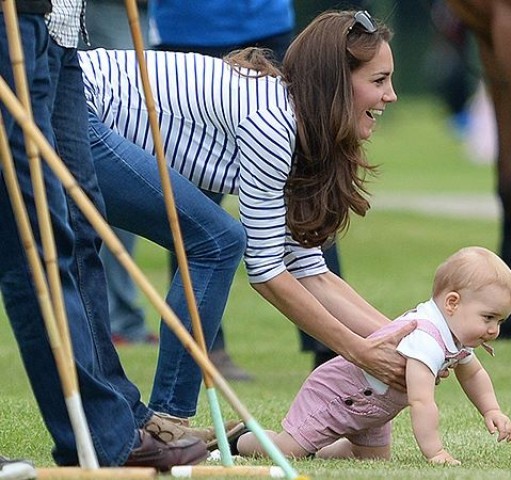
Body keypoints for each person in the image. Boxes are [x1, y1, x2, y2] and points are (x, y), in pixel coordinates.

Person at [78, 9, 413, 419]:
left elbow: (310, 270)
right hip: (75, 105)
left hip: (74, 102)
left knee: (216, 241)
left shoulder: (295, 121)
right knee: (218, 242)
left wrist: (408, 341)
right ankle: (169, 420)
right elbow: (267, 273)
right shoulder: (273, 123)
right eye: (379, 81)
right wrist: (360, 351)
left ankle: (163, 420)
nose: (391, 95)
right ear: (335, 84)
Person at [0, 0, 208, 470]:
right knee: (35, 236)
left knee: (80, 226)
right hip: (13, 22)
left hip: (59, 29)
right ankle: (101, 433)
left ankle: (112, 415)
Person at [147, 0, 341, 377]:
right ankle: (206, 348)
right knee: (194, 207)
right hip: (188, 29)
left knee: (306, 193)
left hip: (266, 24)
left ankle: (330, 345)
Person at [234, 246, 511, 465]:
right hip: (338, 395)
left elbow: (474, 373)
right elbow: (421, 401)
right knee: (287, 451)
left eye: (500, 322)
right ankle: (242, 439)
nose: (493, 330)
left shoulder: (457, 335)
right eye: (488, 318)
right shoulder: (426, 339)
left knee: (371, 459)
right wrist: (436, 452)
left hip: (375, 411)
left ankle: (316, 448)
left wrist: (491, 410)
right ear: (452, 303)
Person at [80, 0, 158, 346]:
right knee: (114, 160)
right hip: (101, 9)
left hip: (140, 12)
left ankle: (116, 316)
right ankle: (114, 318)